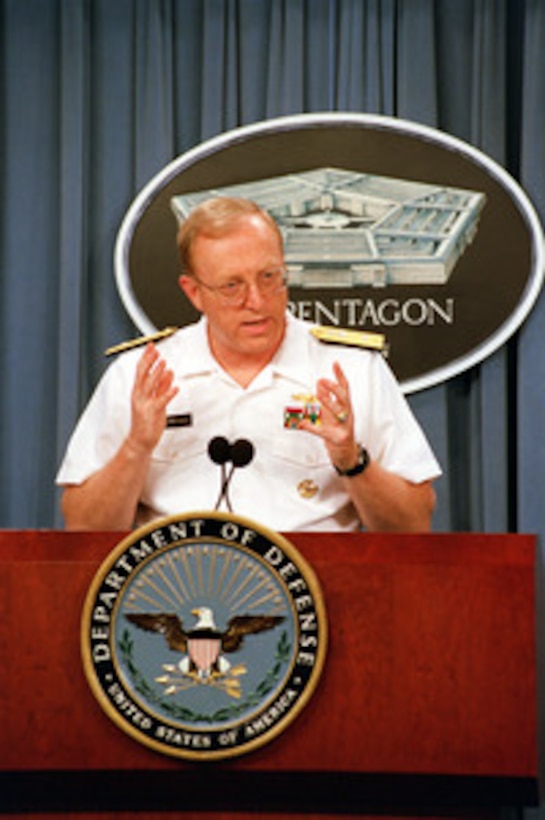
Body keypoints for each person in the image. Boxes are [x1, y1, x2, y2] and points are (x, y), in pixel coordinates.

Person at [57, 197, 441, 532]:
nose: (257, 300)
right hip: (175, 594)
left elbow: (413, 524)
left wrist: (352, 461)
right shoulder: (141, 373)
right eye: (232, 286)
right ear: (194, 293)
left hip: (317, 594)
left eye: (269, 277)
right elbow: (84, 526)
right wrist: (135, 448)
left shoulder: (352, 369)